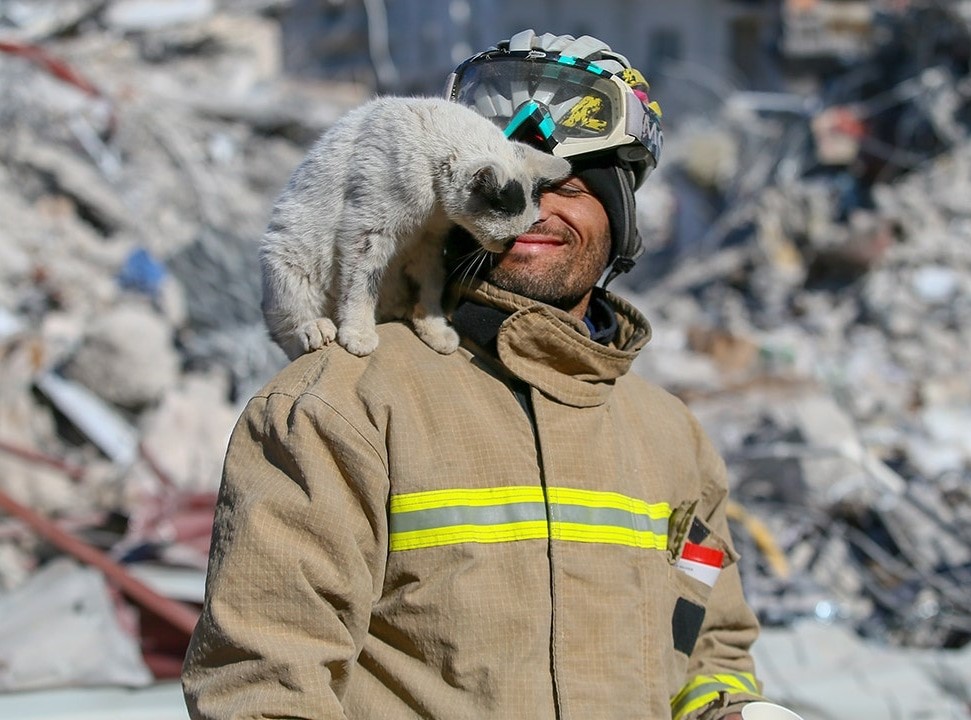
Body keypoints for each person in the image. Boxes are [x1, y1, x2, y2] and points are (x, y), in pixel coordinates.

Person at [183, 29, 782, 720]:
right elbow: (264, 685)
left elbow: (708, 642)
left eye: (570, 187)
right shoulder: (339, 406)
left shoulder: (670, 436)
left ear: (619, 217)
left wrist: (727, 709)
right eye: (515, 185)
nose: (538, 211)